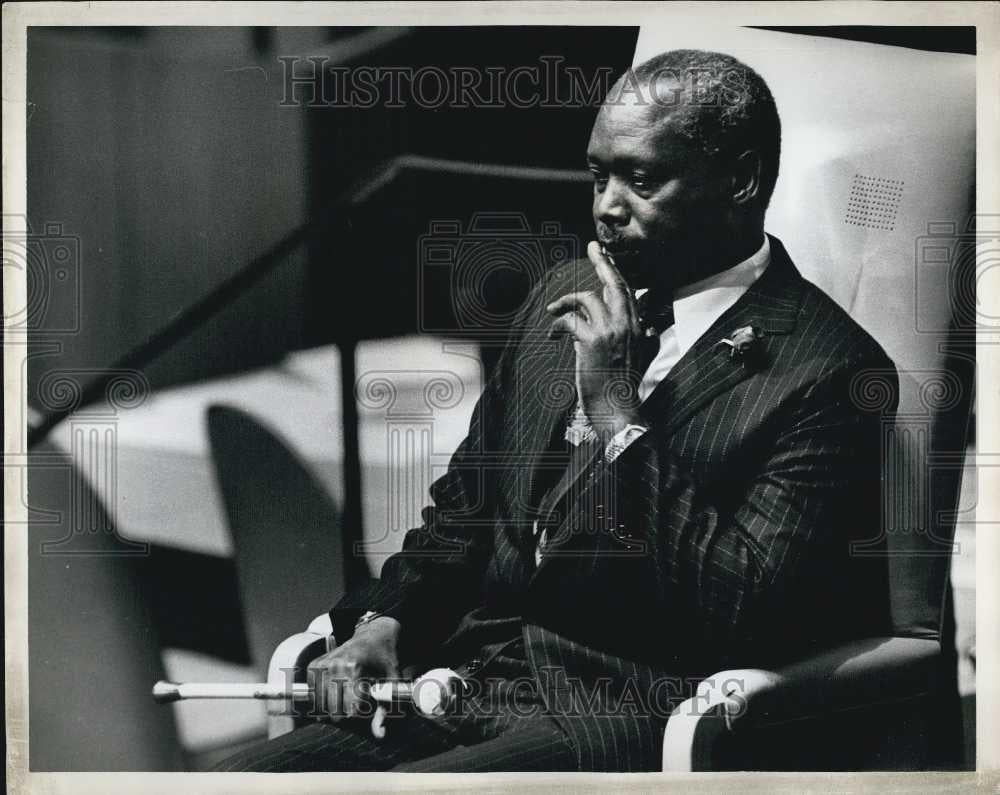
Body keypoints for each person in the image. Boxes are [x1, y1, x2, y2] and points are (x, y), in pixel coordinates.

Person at [216, 48, 897, 773]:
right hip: (461, 685)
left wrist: (618, 415)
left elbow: (741, 612)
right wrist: (385, 621)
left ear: (741, 180)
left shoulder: (830, 371)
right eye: (599, 174)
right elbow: (466, 508)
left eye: (640, 178)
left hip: (619, 713)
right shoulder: (561, 293)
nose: (606, 206)